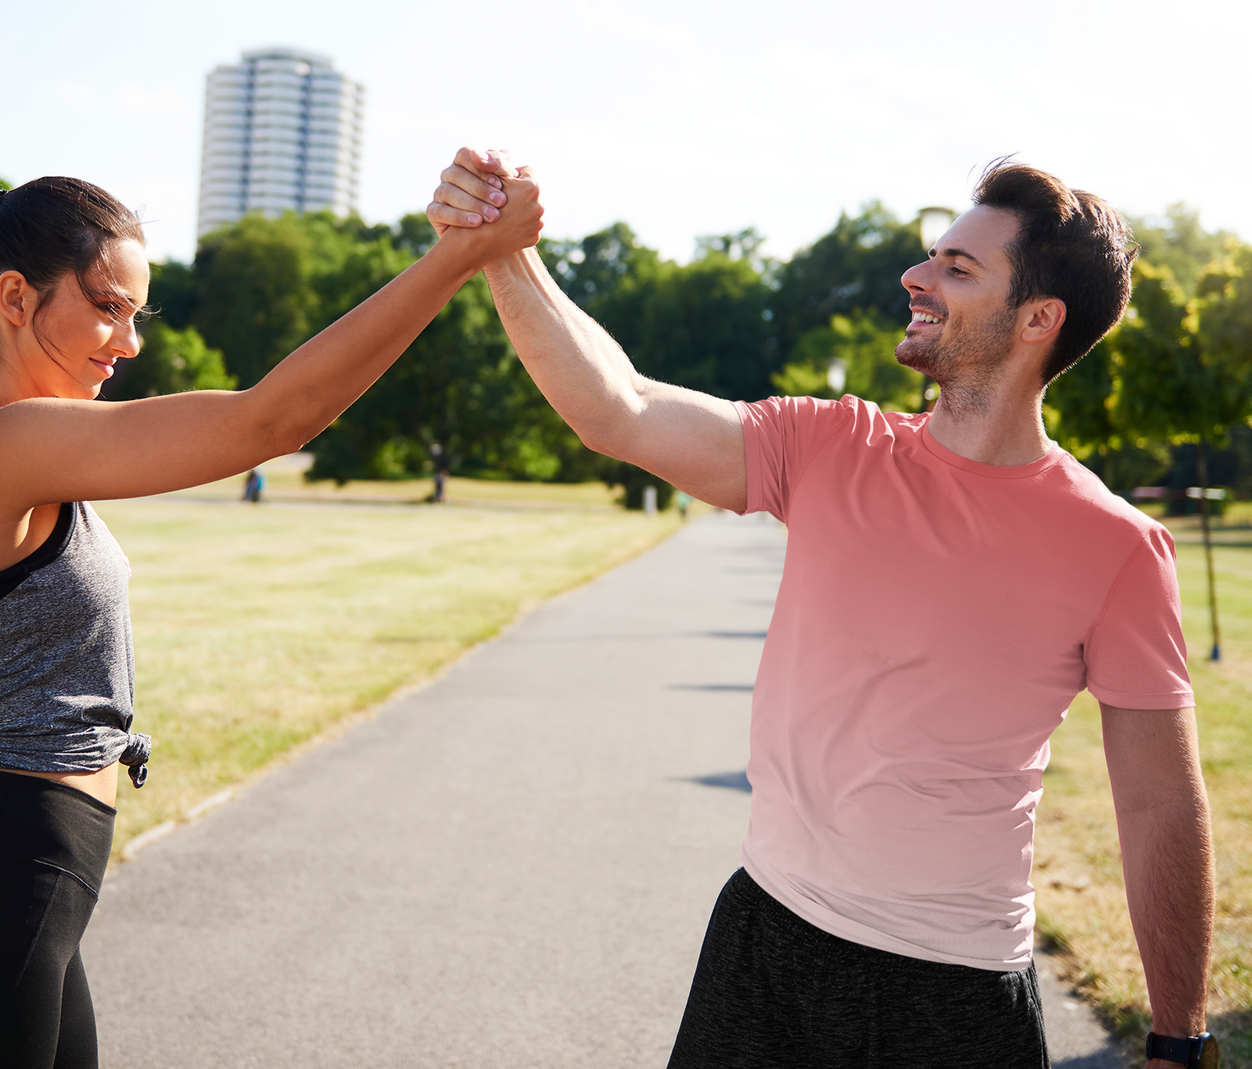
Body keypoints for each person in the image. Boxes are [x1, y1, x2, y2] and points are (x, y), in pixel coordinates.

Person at [430, 152, 1216, 1069]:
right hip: (766, 939)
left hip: (954, 994)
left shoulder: (1116, 546)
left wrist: (1177, 1032)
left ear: (1038, 319)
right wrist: (500, 252)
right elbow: (621, 408)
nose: (914, 276)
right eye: (931, 256)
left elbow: (1159, 800)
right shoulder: (833, 444)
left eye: (957, 267)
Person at [0, 170, 542, 1068]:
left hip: (3, 895)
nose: (129, 341)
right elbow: (272, 418)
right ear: (16, 298)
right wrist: (458, 259)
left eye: (138, 314)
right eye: (109, 307)